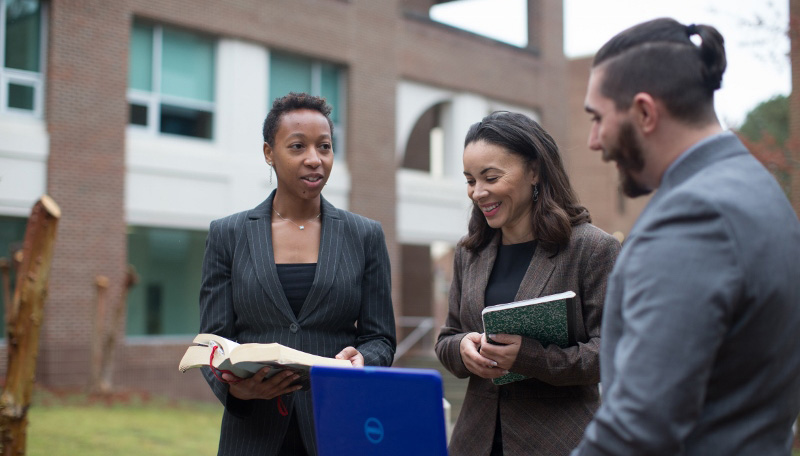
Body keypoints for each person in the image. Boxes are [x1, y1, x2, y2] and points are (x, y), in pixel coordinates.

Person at [574, 18, 800, 455]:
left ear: (644, 112)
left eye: (598, 118)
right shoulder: (758, 187)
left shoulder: (693, 218)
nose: (593, 141)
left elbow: (637, 429)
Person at [198, 92, 396, 456]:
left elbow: (381, 338)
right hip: (252, 435)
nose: (314, 159)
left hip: (337, 425)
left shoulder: (365, 235)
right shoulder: (228, 234)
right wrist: (234, 389)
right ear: (268, 153)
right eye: (297, 146)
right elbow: (212, 339)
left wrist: (363, 360)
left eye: (324, 146)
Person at [435, 111, 620, 456]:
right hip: (475, 441)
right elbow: (446, 338)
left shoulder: (592, 248)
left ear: (534, 171)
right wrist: (463, 349)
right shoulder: (469, 252)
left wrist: (529, 357)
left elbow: (612, 353)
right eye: (471, 180)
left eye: (490, 177)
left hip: (559, 442)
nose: (478, 192)